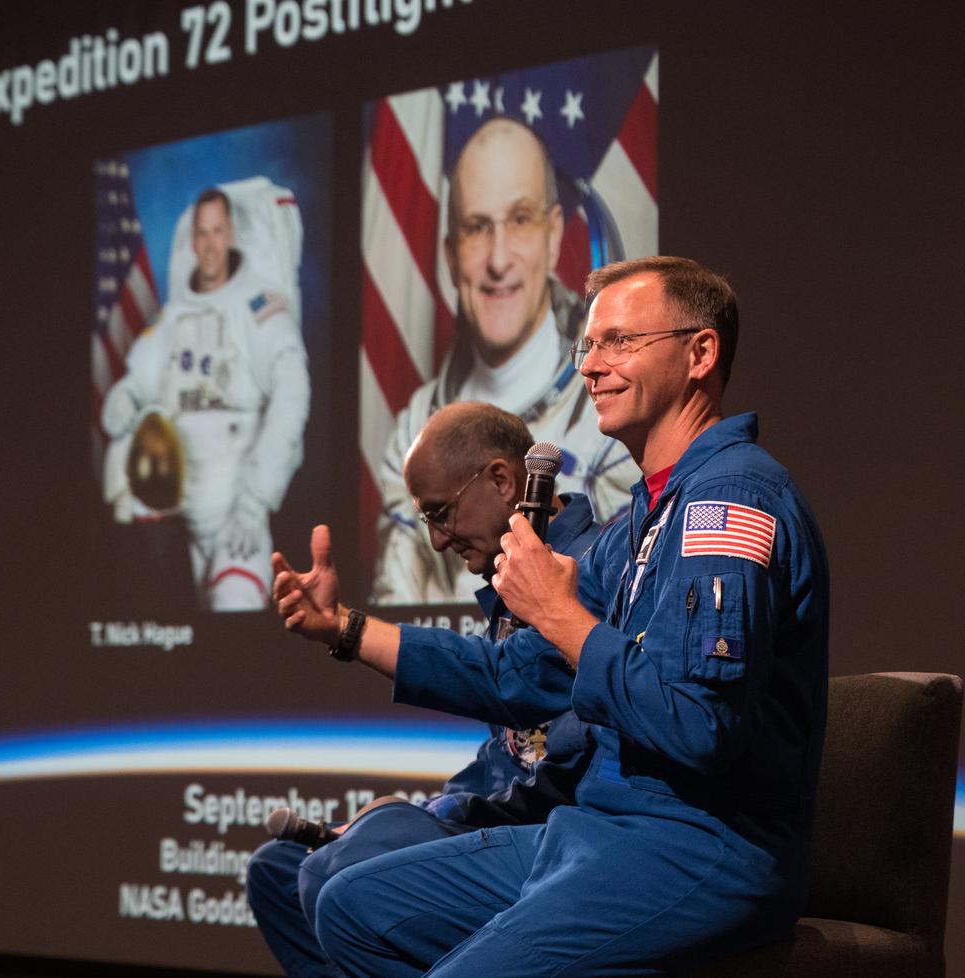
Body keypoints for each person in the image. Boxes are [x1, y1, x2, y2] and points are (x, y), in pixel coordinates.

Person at [275, 257, 829, 977]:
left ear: (701, 353)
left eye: (620, 342)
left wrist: (563, 616)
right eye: (588, 347)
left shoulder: (730, 504)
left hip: (703, 848)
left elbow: (699, 726)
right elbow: (516, 677)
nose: (593, 368)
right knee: (351, 903)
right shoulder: (644, 517)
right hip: (601, 830)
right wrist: (346, 629)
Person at [248, 402, 599, 978]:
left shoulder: (584, 572)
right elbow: (511, 749)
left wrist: (440, 817)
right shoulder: (510, 587)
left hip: (553, 833)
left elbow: (564, 766)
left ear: (504, 480)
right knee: (276, 870)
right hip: (501, 818)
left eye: (441, 513)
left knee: (327, 873)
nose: (436, 541)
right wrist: (417, 811)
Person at [371, 118, 638, 606]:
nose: (498, 259)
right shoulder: (412, 431)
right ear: (451, 256)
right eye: (476, 228)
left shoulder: (613, 419)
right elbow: (403, 596)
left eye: (519, 220)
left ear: (554, 234)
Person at [101, 188, 310, 611]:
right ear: (192, 241)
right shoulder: (175, 315)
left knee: (232, 609)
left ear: (231, 234)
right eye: (202, 233)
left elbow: (293, 392)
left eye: (218, 231)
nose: (210, 244)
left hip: (237, 517)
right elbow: (135, 382)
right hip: (176, 520)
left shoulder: (259, 307)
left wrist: (256, 500)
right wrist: (124, 399)